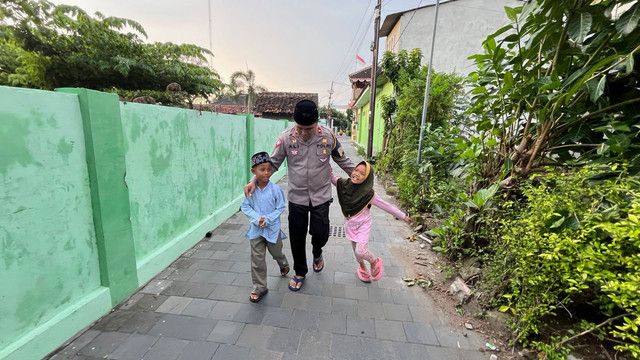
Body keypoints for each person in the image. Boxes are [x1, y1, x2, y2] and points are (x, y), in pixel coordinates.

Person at [244, 99, 355, 292]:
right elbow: (272, 165)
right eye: (299, 128)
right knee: (297, 236)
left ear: (317, 123)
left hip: (321, 196)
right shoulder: (286, 138)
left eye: (309, 129)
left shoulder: (328, 137)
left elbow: (344, 162)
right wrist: (253, 181)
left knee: (320, 233)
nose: (303, 133)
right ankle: (300, 271)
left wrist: (364, 178)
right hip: (297, 197)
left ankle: (317, 251)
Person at [331, 161, 411, 282]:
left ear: (367, 178)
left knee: (360, 250)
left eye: (362, 173)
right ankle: (363, 269)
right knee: (356, 251)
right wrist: (323, 161)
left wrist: (402, 216)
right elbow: (332, 179)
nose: (357, 174)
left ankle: (374, 261)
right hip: (350, 225)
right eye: (356, 170)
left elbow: (386, 206)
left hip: (363, 225)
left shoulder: (369, 194)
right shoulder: (344, 185)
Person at [241, 151, 290, 302]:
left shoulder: (275, 189)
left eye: (269, 169)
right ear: (253, 171)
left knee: (276, 253)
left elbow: (280, 207)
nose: (267, 173)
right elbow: (245, 207)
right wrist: (257, 219)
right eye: (262, 169)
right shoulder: (251, 190)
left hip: (272, 230)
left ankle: (283, 263)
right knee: (257, 259)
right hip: (256, 231)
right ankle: (259, 287)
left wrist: (267, 219)